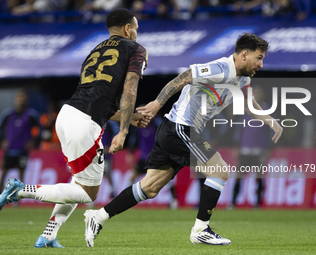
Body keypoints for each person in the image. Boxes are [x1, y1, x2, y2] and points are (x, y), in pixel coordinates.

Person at [83, 33, 283, 247]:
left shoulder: (242, 79)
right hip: (180, 128)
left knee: (149, 188)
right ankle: (201, 229)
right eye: (259, 58)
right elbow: (184, 77)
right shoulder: (221, 68)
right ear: (244, 55)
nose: (261, 64)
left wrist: (272, 122)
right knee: (220, 170)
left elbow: (248, 103)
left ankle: (99, 216)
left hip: (173, 130)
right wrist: (157, 104)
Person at [0, 8, 151, 248]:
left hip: (68, 114)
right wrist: (123, 130)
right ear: (127, 28)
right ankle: (20, 191)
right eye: (136, 28)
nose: (136, 33)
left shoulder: (94, 50)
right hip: (84, 125)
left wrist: (127, 117)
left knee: (77, 183)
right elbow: (130, 90)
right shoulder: (136, 49)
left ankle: (49, 234)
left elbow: (96, 100)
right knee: (87, 193)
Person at [229, 85, 273, 210]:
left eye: (259, 93)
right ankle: (232, 202)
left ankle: (257, 204)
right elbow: (238, 128)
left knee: (259, 176)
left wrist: (269, 147)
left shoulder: (267, 109)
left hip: (260, 149)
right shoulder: (245, 108)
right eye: (255, 93)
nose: (257, 96)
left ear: (263, 95)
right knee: (239, 175)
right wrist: (236, 145)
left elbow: (271, 128)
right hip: (244, 149)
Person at [0, 89, 40, 192]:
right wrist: (3, 140)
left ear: (26, 99)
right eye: (19, 97)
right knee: (3, 173)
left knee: (21, 174)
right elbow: (2, 129)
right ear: (15, 99)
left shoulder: (31, 115)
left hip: (23, 150)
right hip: (10, 149)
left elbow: (37, 130)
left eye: (23, 97)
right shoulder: (8, 115)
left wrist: (32, 141)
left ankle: (19, 198)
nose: (21, 100)